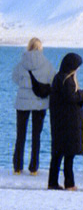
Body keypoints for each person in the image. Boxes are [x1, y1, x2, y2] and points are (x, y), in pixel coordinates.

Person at [11, 37, 55, 175]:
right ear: (40, 48)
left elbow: (15, 79)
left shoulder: (21, 63)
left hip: (22, 102)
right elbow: (52, 80)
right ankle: (34, 168)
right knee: (36, 135)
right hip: (40, 103)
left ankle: (17, 167)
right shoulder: (46, 63)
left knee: (20, 135)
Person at [47, 53, 83, 191]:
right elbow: (71, 97)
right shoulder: (66, 81)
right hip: (68, 124)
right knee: (68, 155)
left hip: (60, 123)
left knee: (58, 154)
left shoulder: (59, 79)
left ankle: (52, 182)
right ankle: (69, 183)